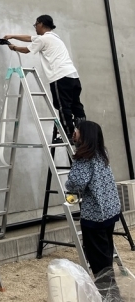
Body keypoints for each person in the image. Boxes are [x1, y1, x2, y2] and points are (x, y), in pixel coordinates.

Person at [4, 15, 85, 138]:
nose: (35, 27)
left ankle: (68, 134)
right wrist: (12, 36)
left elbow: (26, 50)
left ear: (41, 24)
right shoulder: (54, 37)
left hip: (60, 76)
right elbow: (29, 38)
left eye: (35, 24)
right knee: (76, 104)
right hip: (73, 76)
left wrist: (13, 47)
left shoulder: (43, 39)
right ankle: (83, 132)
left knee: (63, 106)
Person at [65, 121, 122, 299]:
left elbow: (76, 183)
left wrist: (68, 184)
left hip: (95, 215)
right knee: (105, 253)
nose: (74, 132)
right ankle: (111, 294)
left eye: (77, 130)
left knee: (99, 261)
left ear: (85, 135)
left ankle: (110, 297)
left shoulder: (84, 157)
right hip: (110, 210)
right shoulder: (101, 152)